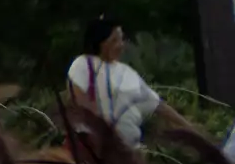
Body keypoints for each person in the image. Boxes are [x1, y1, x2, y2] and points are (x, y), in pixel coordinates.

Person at [66, 16, 191, 148]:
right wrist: (108, 134)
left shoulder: (125, 72)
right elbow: (83, 105)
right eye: (114, 40)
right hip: (98, 149)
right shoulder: (84, 64)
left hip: (131, 150)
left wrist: (189, 128)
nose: (121, 45)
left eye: (121, 39)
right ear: (100, 42)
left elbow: (158, 105)